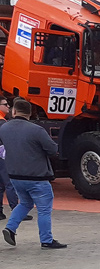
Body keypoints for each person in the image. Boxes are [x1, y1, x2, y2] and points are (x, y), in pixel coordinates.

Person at [1, 98, 65, 249]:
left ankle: (10, 228)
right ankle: (46, 240)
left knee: (25, 203)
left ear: (14, 111)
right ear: (30, 114)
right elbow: (52, 149)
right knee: (44, 209)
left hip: (15, 176)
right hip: (37, 176)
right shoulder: (36, 130)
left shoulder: (4, 128)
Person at [0, 97, 16, 219]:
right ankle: (16, 210)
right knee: (9, 183)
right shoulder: (2, 123)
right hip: (2, 155)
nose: (8, 106)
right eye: (5, 104)